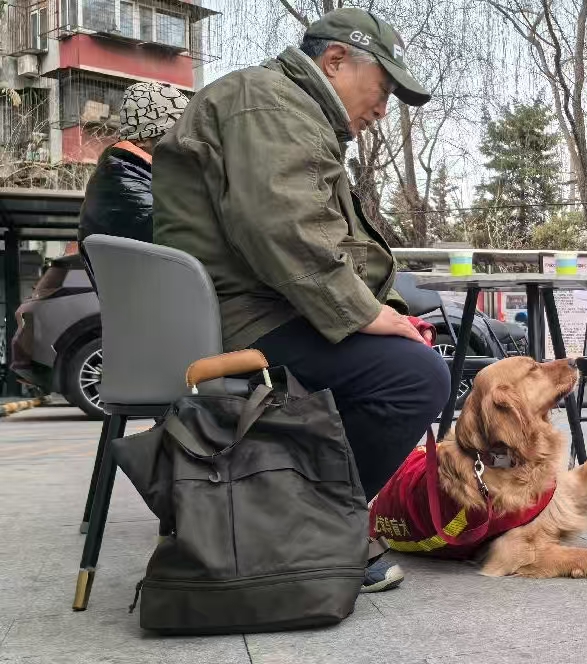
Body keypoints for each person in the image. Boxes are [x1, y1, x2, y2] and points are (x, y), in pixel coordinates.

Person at [153, 8, 449, 591]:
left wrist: (388, 312)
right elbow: (282, 229)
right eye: (383, 88)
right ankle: (312, 532)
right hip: (240, 319)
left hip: (249, 308)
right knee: (415, 378)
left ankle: (288, 514)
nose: (383, 108)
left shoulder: (282, 107)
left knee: (400, 354)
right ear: (336, 61)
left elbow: (319, 238)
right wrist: (366, 314)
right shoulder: (270, 104)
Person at [77, 82, 189, 249]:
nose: (184, 145)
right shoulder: (125, 183)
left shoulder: (121, 172)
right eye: (177, 136)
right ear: (142, 139)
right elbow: (187, 241)